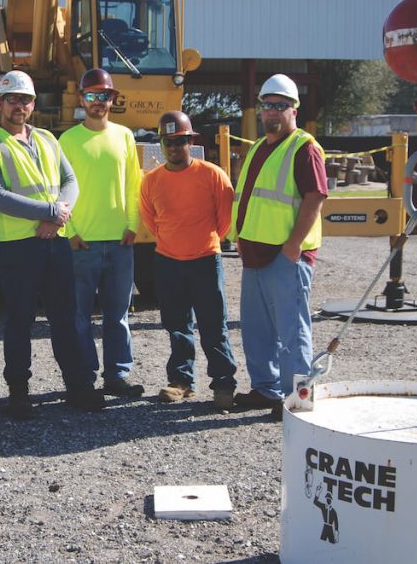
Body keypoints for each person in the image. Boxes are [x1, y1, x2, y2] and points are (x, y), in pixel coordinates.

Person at [0, 69, 103, 420]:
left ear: (33, 104)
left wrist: (56, 217)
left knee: (65, 317)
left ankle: (78, 388)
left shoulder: (45, 138)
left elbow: (69, 179)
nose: (19, 105)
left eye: (25, 99)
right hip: (15, 247)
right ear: (0, 103)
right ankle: (19, 393)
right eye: (12, 99)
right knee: (19, 320)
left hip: (54, 241)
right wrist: (49, 212)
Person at [232, 74, 327, 421]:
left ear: (294, 110)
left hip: (286, 256)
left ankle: (297, 398)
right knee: (257, 329)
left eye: (280, 106)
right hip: (255, 255)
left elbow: (315, 197)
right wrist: (241, 239)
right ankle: (266, 389)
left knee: (292, 331)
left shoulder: (304, 148)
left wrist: (293, 245)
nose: (272, 112)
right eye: (267, 105)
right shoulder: (260, 147)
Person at [139, 110, 239, 411]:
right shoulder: (151, 181)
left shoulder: (212, 175)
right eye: (168, 141)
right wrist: (175, 243)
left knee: (213, 325)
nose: (174, 147)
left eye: (180, 141)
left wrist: (200, 242)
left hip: (205, 260)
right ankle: (181, 381)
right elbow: (151, 221)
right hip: (168, 261)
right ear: (161, 143)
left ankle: (223, 383)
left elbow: (223, 222)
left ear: (190, 141)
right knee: (176, 324)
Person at [59, 68, 144, 398]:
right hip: (83, 244)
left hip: (120, 242)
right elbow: (60, 189)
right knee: (80, 316)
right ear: (81, 99)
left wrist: (133, 225)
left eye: (104, 96)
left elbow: (133, 185)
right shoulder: (67, 140)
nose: (98, 102)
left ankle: (117, 375)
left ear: (113, 99)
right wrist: (71, 232)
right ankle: (84, 377)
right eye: (92, 95)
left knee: (117, 315)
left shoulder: (124, 136)